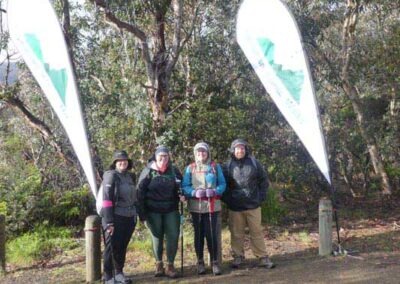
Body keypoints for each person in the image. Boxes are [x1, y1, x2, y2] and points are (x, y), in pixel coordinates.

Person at [222, 139, 275, 269]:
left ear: (246, 150)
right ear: (233, 150)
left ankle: (262, 257)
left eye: (242, 148)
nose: (240, 151)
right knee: (236, 233)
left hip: (253, 205)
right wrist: (229, 200)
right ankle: (238, 257)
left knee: (256, 232)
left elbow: (263, 181)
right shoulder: (227, 166)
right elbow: (223, 186)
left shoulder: (254, 163)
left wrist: (260, 197)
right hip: (235, 207)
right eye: (237, 148)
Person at [136, 146, 183, 278]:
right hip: (153, 211)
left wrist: (182, 195)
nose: (163, 159)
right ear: (155, 157)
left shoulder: (174, 171)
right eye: (160, 157)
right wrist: (142, 215)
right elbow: (139, 194)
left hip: (171, 210)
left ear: (169, 157)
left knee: (173, 236)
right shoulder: (148, 171)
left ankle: (170, 265)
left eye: (165, 156)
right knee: (157, 237)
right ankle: (158, 264)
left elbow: (181, 187)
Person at [182, 142, 226, 276]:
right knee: (199, 235)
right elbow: (185, 185)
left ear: (208, 153)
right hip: (196, 207)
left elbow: (223, 184)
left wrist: (215, 191)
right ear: (195, 153)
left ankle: (214, 262)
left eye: (204, 152)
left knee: (212, 234)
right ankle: (200, 262)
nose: (201, 154)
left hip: (212, 206)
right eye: (199, 152)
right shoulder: (190, 168)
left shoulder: (215, 167)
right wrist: (193, 192)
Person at [101, 150, 137, 284]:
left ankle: (119, 272)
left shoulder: (130, 176)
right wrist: (109, 222)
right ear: (115, 163)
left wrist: (136, 214)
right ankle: (108, 276)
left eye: (125, 160)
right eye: (119, 160)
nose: (123, 162)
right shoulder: (110, 176)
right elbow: (107, 199)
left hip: (129, 216)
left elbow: (134, 197)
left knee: (122, 246)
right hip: (114, 217)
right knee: (111, 247)